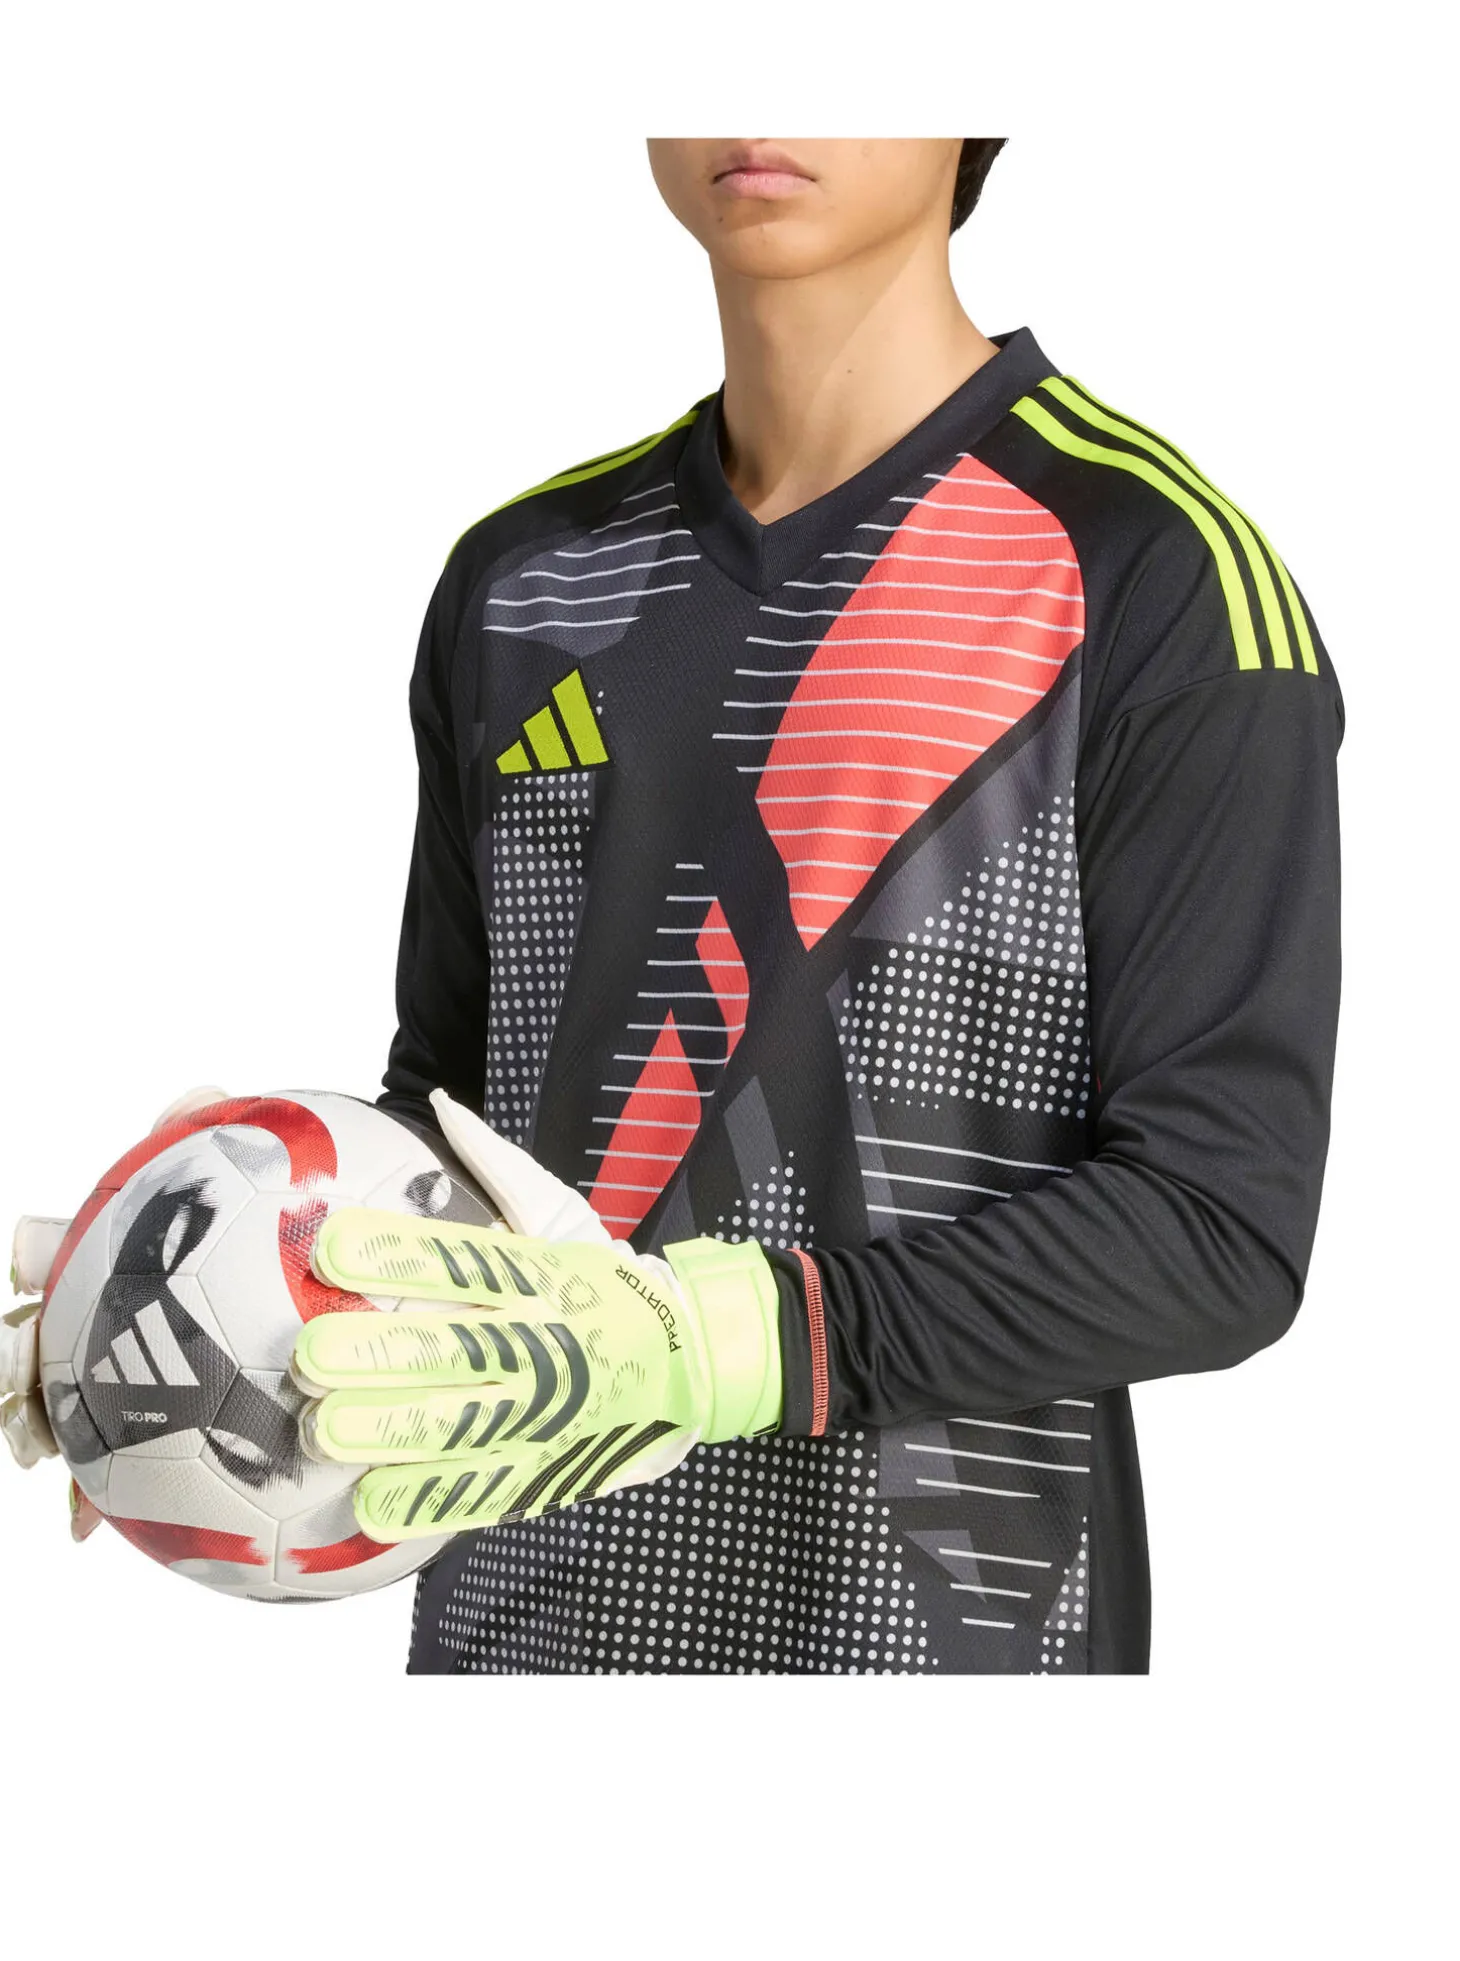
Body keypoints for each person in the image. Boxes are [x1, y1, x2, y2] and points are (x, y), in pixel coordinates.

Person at [5, 140, 1343, 1673]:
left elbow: (1218, 1230)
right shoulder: (525, 581)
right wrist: (213, 1287)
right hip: (517, 1640)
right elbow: (460, 1117)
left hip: (934, 1656)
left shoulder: (1151, 571)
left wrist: (715, 1344)